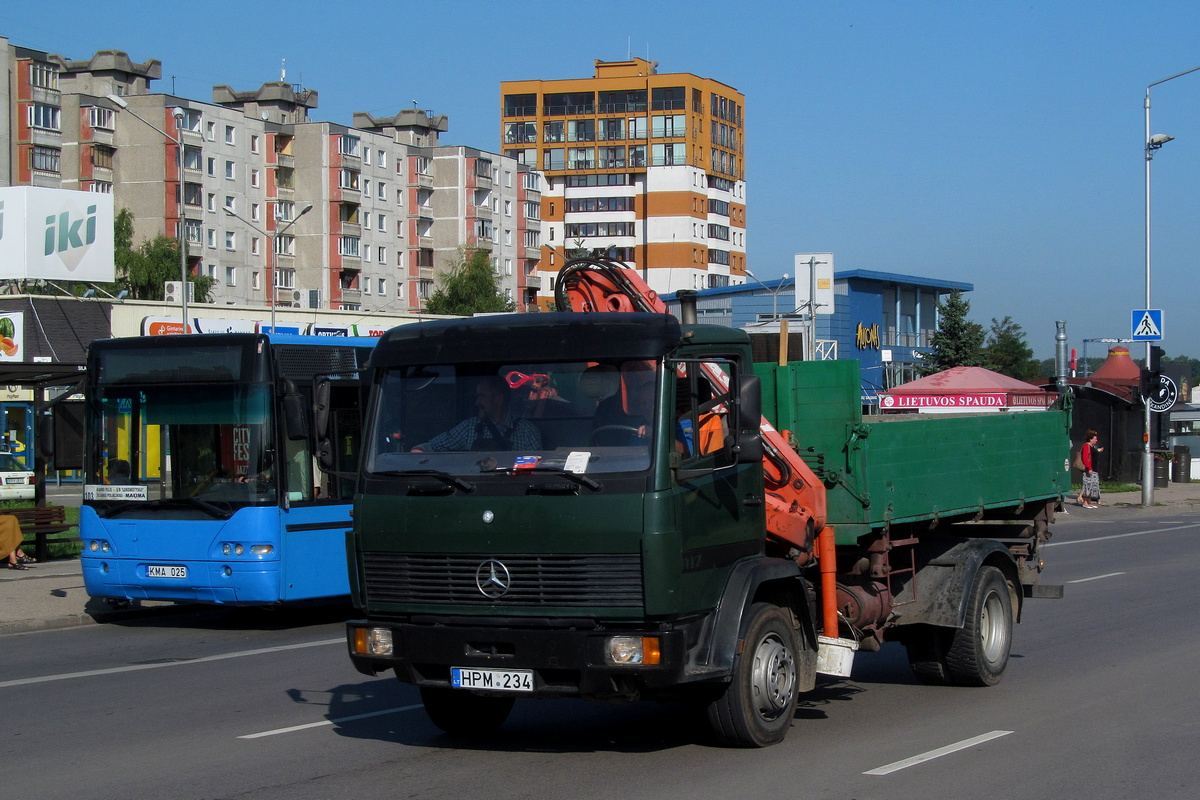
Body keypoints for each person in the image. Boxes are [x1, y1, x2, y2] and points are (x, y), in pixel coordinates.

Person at [413, 376, 541, 452]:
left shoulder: (526, 431)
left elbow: (539, 467)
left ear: (499, 399)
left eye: (481, 396)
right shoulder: (469, 427)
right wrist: (419, 451)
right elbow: (434, 447)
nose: (476, 402)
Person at [1079, 429, 1104, 508]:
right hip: (1090, 469)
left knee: (1093, 486)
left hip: (1094, 469)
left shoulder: (1092, 447)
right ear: (1090, 439)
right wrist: (1089, 468)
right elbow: (1085, 458)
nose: (1096, 440)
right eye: (1095, 439)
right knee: (1088, 485)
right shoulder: (1086, 446)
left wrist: (1097, 451)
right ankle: (1085, 502)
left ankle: (1089, 501)